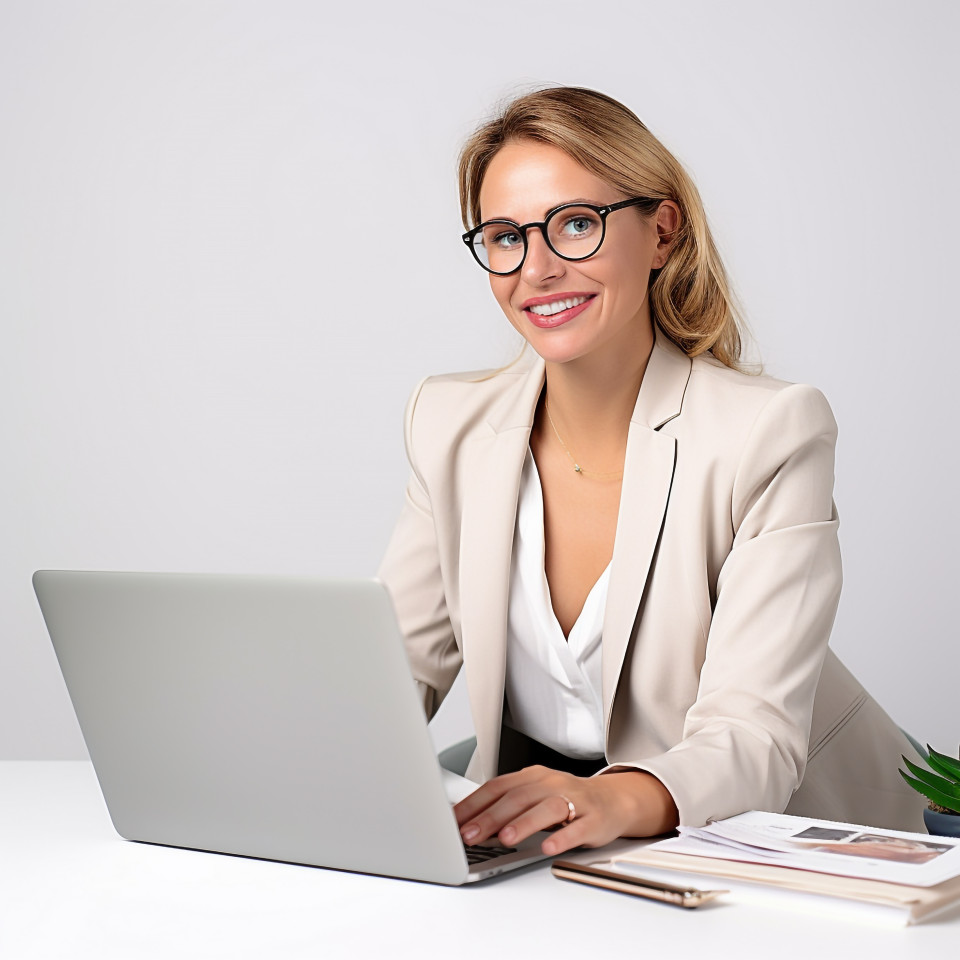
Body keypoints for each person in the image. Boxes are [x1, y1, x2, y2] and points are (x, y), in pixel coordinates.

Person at [378, 86, 924, 858]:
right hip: (572, 841)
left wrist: (600, 800)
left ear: (661, 231)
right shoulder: (448, 426)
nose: (535, 269)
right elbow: (388, 677)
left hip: (784, 838)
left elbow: (753, 736)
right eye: (505, 237)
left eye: (575, 224)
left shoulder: (768, 433)